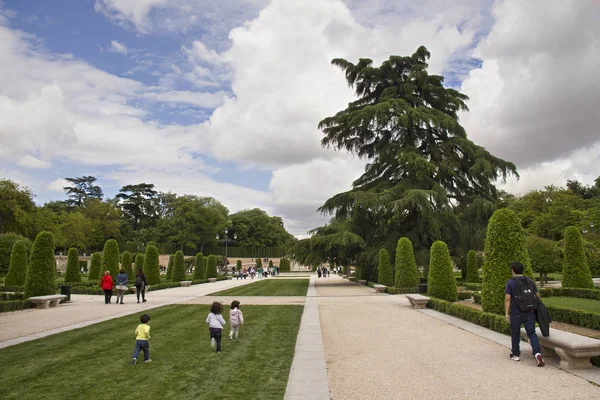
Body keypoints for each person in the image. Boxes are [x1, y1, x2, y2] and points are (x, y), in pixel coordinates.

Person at [505, 261, 545, 366]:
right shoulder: (530, 281)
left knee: (515, 333)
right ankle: (537, 353)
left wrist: (506, 314)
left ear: (513, 270)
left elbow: (508, 299)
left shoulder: (511, 283)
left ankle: (516, 354)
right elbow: (537, 296)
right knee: (532, 333)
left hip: (516, 312)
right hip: (530, 312)